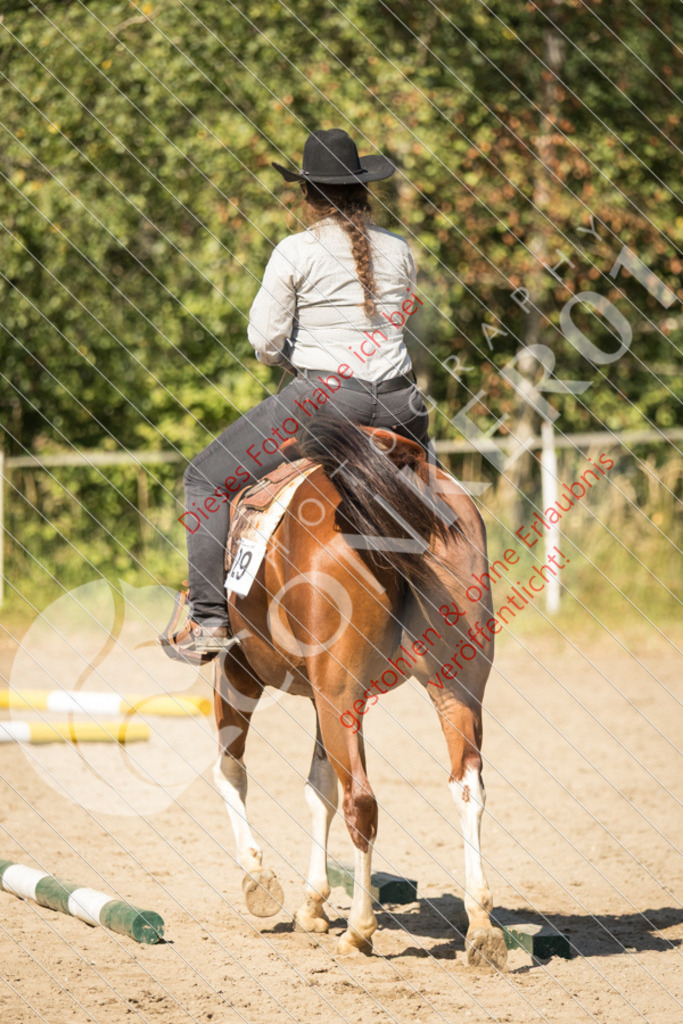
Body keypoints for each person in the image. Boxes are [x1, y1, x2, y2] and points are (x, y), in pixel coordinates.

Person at [162, 128, 430, 662]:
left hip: (327, 401)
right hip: (404, 403)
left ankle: (211, 617)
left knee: (205, 478)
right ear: (363, 191)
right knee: (431, 497)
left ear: (308, 195)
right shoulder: (399, 251)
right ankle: (433, 608)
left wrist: (293, 353)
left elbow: (263, 340)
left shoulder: (294, 251)